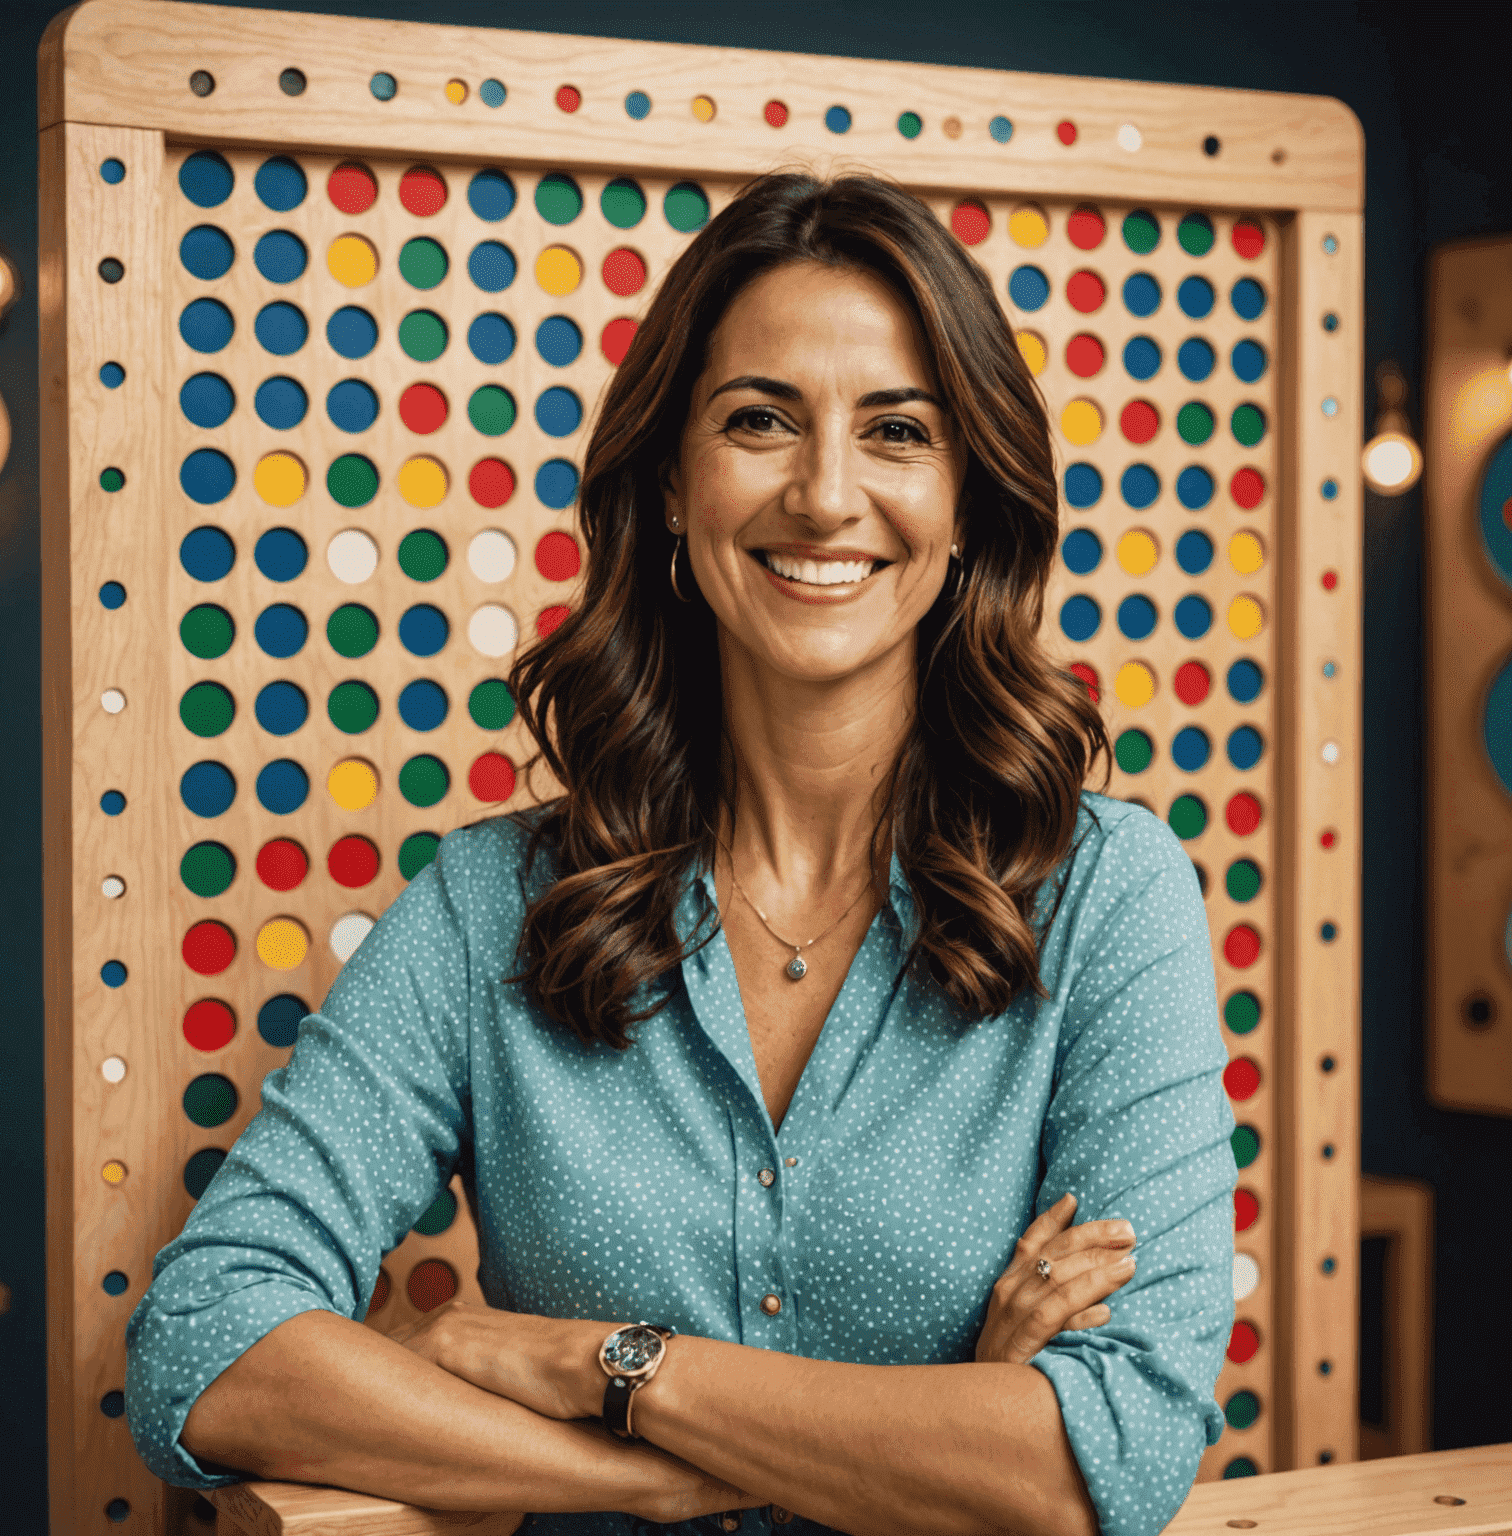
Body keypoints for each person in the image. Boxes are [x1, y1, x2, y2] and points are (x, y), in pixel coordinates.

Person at [125, 171, 1237, 1536]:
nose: (825, 495)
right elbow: (204, 1342)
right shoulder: (492, 905)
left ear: (966, 508)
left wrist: (600, 1366)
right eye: (760, 421)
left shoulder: (1109, 895)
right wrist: (684, 1474)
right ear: (669, 483)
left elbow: (1105, 1458)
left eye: (898, 432)